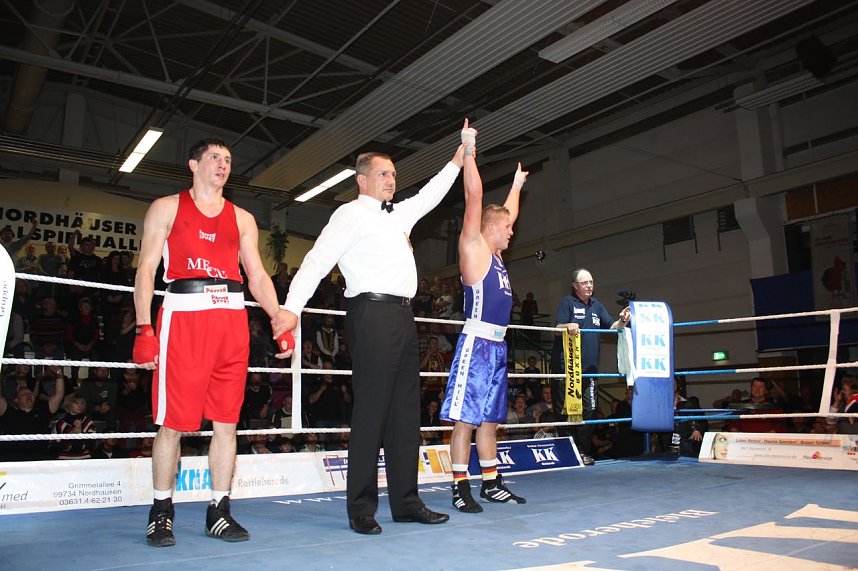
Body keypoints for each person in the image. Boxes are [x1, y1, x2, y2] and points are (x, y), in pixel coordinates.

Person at [279, 121, 471, 535]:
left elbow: (430, 195)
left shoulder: (398, 215)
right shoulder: (348, 214)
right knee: (371, 412)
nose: (391, 180)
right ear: (362, 179)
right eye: (384, 174)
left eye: (394, 175)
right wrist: (291, 309)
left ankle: (406, 502)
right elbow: (316, 260)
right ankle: (361, 509)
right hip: (370, 314)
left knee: (406, 413)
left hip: (403, 316)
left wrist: (458, 158)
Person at [132, 138, 291, 547]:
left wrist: (278, 319)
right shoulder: (166, 207)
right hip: (183, 320)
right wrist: (143, 328)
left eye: (228, 160)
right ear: (194, 164)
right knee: (172, 424)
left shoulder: (242, 218)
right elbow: (147, 269)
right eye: (215, 158)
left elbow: (257, 275)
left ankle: (219, 511)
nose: (223, 165)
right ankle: (161, 511)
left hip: (231, 322)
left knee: (227, 422)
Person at [439, 124, 529, 513]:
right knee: (465, 421)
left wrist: (517, 185)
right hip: (475, 345)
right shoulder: (474, 247)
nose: (512, 231)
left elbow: (507, 213)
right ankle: (460, 487)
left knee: (490, 419)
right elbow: (474, 194)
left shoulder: (498, 257)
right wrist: (469, 148)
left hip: (497, 346)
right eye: (507, 228)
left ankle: (492, 482)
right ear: (490, 228)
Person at [550, 268, 631, 465]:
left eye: (591, 282)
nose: (589, 286)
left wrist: (622, 320)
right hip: (567, 368)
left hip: (590, 370)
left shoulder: (596, 305)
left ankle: (582, 451)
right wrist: (567, 327)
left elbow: (612, 327)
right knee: (567, 411)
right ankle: (568, 452)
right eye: (585, 283)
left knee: (590, 410)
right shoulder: (567, 303)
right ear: (575, 286)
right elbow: (556, 329)